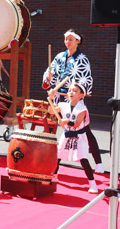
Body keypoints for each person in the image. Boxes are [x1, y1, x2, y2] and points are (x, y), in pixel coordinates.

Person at [43, 28, 104, 174]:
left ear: (78, 41)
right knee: (52, 128)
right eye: (66, 39)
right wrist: (49, 79)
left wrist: (71, 93)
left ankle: (98, 163)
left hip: (74, 99)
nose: (68, 42)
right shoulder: (59, 57)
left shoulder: (82, 59)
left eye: (71, 39)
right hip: (59, 98)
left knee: (83, 130)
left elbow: (83, 82)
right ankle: (50, 163)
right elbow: (48, 77)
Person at [49, 82, 98, 194]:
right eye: (70, 90)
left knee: (83, 160)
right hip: (66, 134)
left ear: (81, 95)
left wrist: (66, 121)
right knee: (57, 156)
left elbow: (76, 124)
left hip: (79, 136)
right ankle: (54, 176)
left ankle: (92, 184)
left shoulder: (82, 108)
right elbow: (51, 111)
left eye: (74, 91)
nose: (71, 92)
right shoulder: (63, 105)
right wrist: (51, 99)